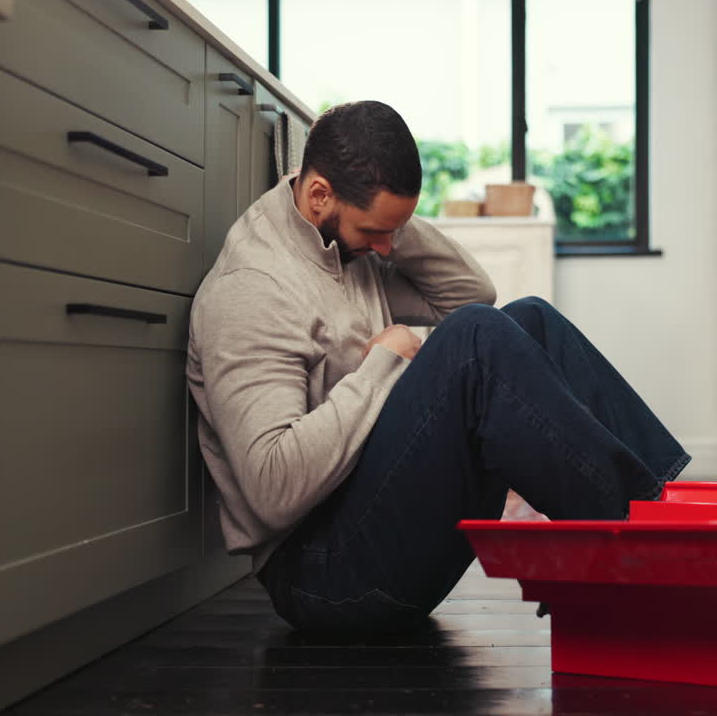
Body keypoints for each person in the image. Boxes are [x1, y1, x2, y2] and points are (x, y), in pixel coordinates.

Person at [187, 100, 690, 634]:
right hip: (324, 576)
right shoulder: (252, 290)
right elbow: (271, 490)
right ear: (318, 196)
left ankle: (664, 512)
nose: (386, 247)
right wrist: (383, 364)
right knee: (476, 337)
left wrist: (392, 227)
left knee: (530, 319)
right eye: (375, 230)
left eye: (392, 233)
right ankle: (647, 560)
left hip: (380, 534)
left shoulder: (346, 245)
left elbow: (474, 291)